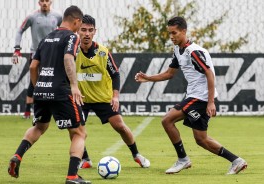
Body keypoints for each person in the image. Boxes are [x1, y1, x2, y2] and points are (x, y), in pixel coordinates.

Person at [135, 16, 247, 175]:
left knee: (167, 120)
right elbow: (169, 73)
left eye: (174, 33)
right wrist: (148, 78)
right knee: (201, 139)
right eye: (169, 33)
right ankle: (236, 161)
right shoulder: (177, 50)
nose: (171, 36)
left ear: (184, 31)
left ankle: (183, 159)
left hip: (200, 98)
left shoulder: (193, 52)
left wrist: (210, 103)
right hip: (196, 97)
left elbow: (209, 74)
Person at [8, 6, 91, 184]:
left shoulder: (46, 38)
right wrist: (74, 86)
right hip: (61, 91)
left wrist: (39, 87)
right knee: (79, 133)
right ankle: (72, 176)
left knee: (39, 127)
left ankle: (17, 155)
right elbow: (68, 59)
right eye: (80, 25)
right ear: (76, 21)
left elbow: (32, 66)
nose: (80, 29)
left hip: (41, 91)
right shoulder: (71, 37)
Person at [76, 14, 150, 169]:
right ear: (78, 30)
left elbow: (115, 74)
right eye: (83, 30)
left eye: (90, 30)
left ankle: (136, 154)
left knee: (120, 126)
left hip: (103, 98)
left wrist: (115, 97)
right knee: (76, 130)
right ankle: (85, 159)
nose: (87, 34)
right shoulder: (72, 52)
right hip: (81, 99)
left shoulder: (103, 52)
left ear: (95, 31)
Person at [12, 0, 62, 119]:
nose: (45, 3)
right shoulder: (32, 17)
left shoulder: (58, 16)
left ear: (51, 2)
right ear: (39, 2)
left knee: (54, 78)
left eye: (47, 1)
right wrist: (17, 49)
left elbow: (64, 30)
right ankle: (28, 111)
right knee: (34, 80)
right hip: (36, 53)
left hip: (52, 53)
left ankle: (54, 109)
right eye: (42, 1)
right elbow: (20, 30)